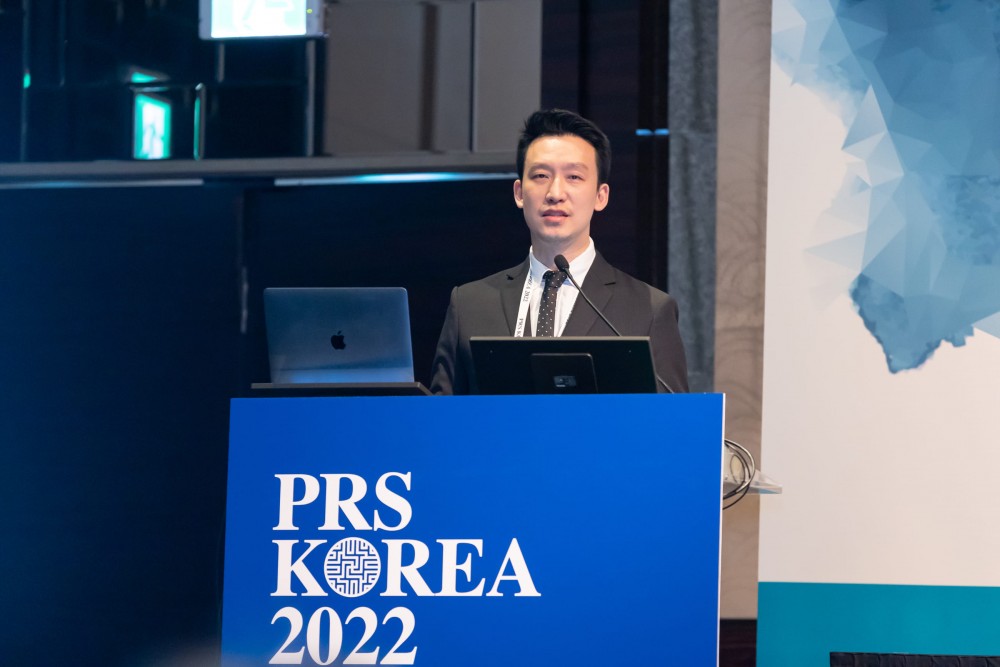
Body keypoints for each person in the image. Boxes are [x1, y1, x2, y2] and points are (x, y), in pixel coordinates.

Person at [429, 108, 688, 395]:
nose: (555, 193)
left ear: (601, 196)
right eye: (541, 175)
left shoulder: (649, 309)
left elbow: (673, 417)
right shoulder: (469, 305)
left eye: (574, 177)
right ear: (519, 193)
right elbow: (440, 415)